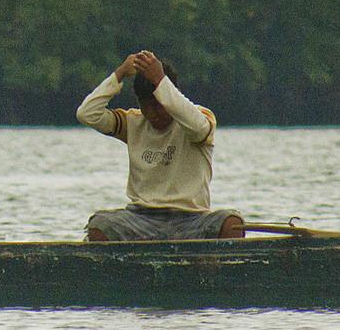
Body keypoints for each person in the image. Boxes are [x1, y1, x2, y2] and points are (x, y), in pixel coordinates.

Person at [76, 50, 244, 241]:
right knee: (100, 225)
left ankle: (215, 261)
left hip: (192, 219)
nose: (152, 113)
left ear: (168, 96)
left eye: (158, 105)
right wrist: (120, 73)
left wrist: (160, 80)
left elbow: (198, 128)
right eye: (145, 106)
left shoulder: (198, 118)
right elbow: (87, 114)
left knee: (232, 223)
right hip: (141, 219)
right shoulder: (133, 122)